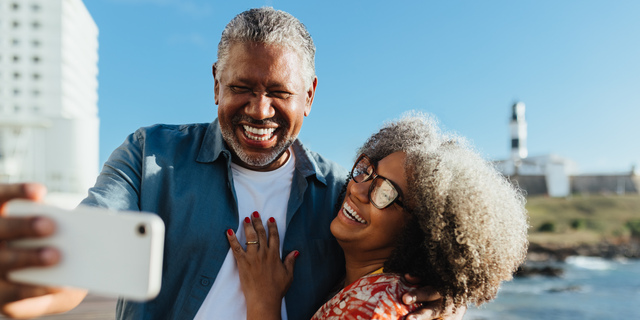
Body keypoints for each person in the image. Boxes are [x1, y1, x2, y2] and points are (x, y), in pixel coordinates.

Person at [0, 8, 465, 320]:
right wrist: (40, 274)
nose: (259, 110)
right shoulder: (149, 156)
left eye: (279, 93)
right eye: (242, 86)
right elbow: (90, 237)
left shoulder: (341, 197)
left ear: (310, 97)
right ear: (216, 83)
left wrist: (443, 295)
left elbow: (393, 262)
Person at [226, 113, 529, 319]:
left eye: (385, 193)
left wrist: (263, 304)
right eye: (367, 172)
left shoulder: (374, 307)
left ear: (423, 232)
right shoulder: (378, 288)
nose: (358, 190)